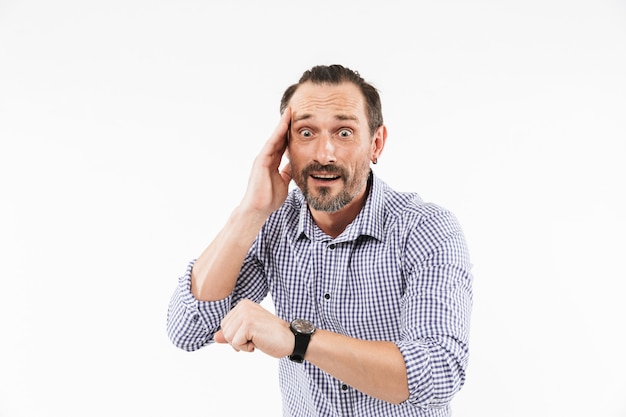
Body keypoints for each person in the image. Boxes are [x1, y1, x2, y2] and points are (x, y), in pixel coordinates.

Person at [166, 64, 473, 417]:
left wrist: (297, 340)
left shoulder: (425, 229)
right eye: (306, 133)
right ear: (285, 146)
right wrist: (249, 212)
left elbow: (438, 372)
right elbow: (187, 329)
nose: (324, 154)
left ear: (376, 143)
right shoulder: (273, 222)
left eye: (344, 133)